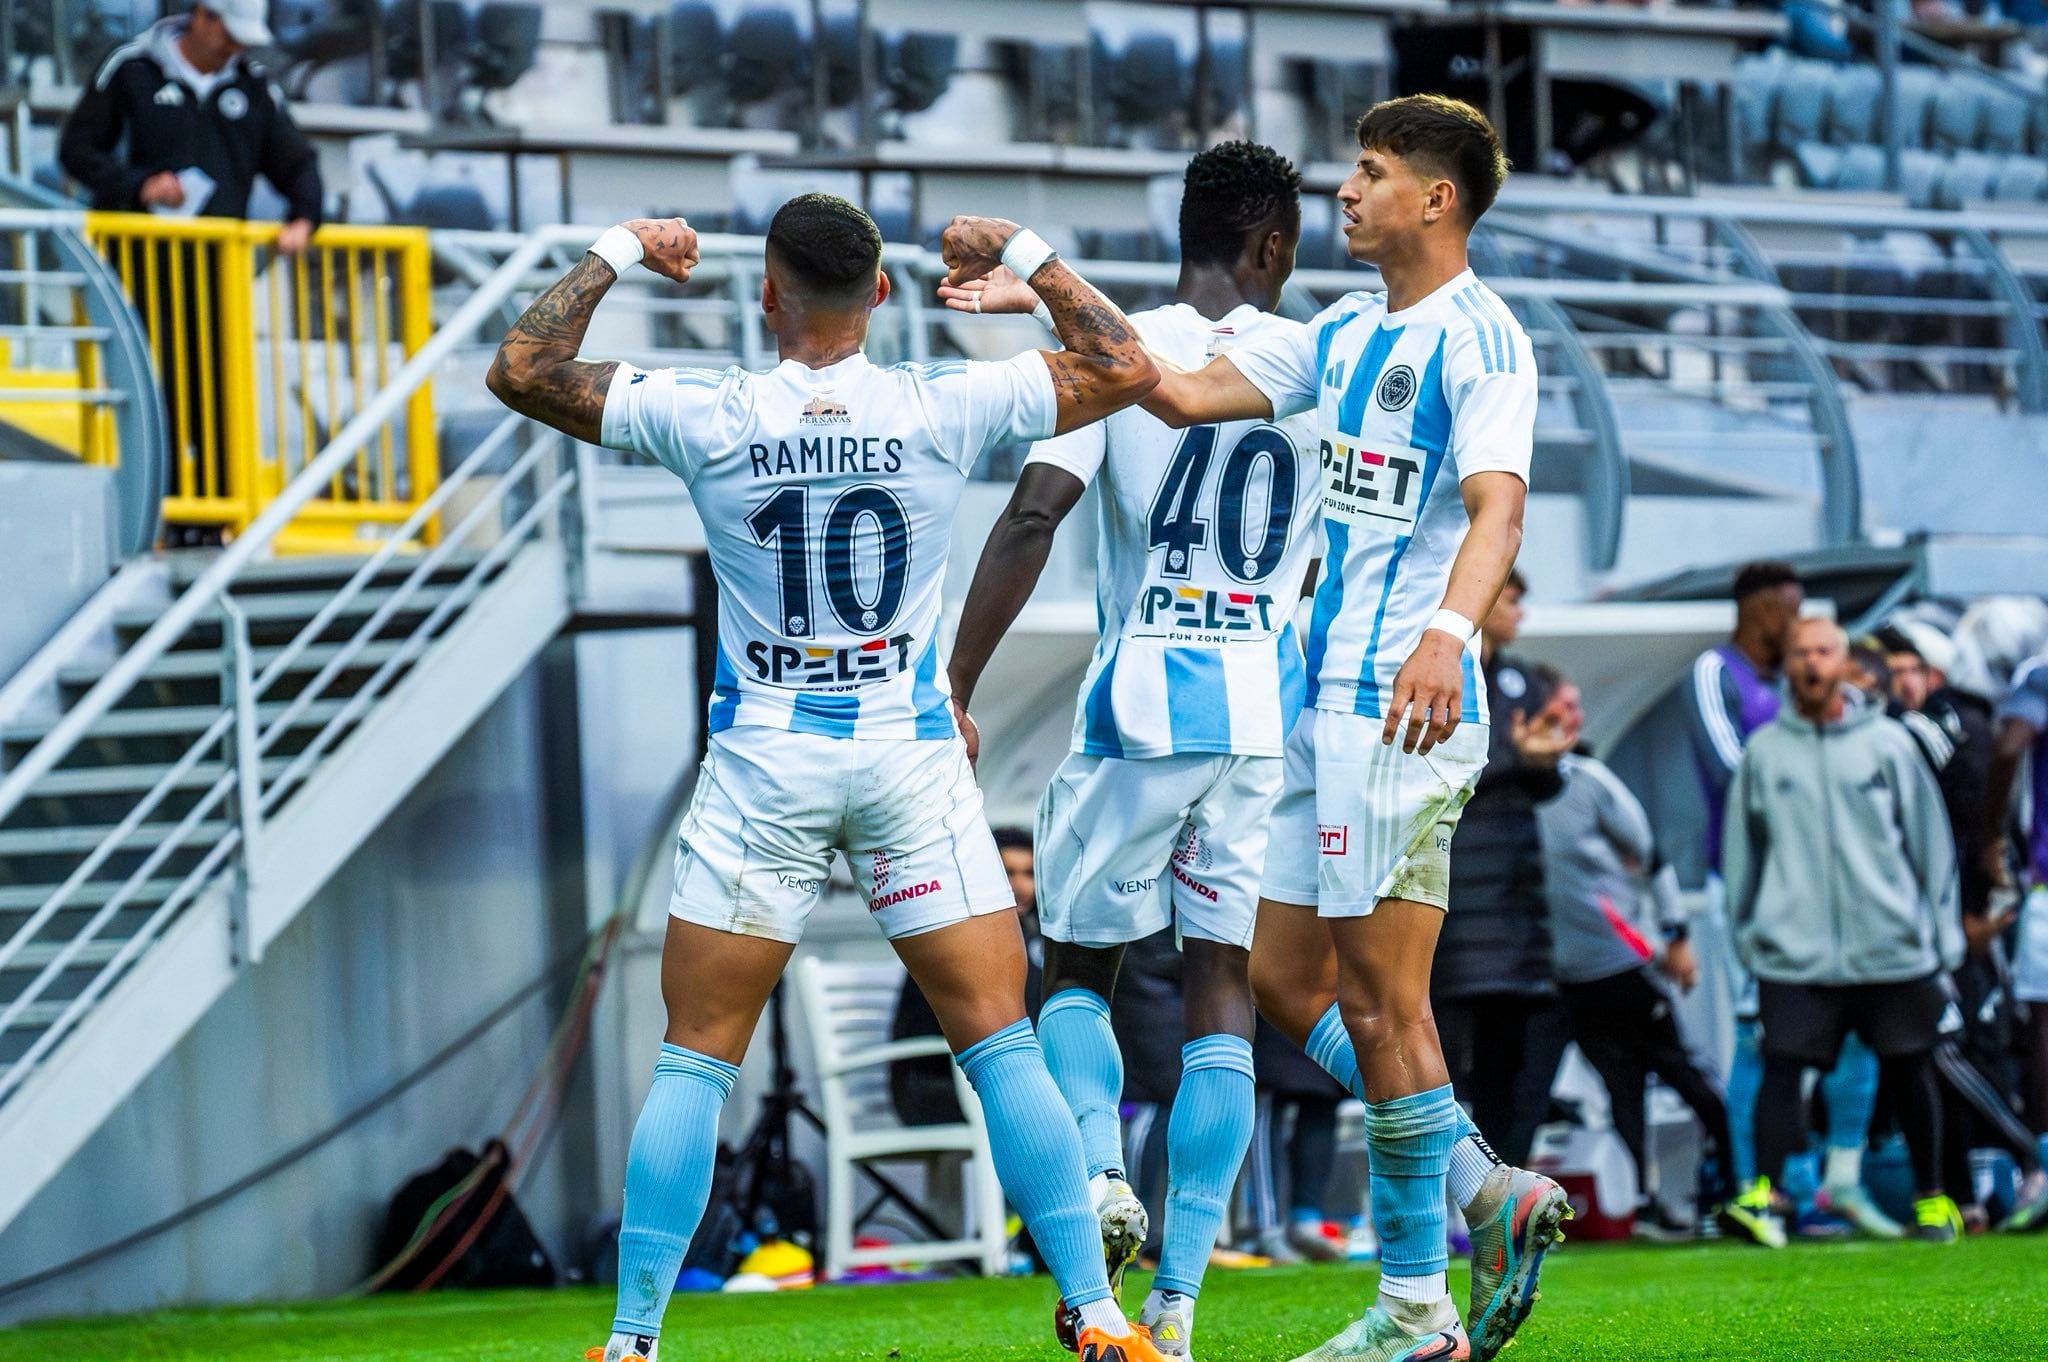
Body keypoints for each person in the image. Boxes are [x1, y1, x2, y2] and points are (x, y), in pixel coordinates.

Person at [486, 197, 1176, 1362]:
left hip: (766, 757)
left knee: (697, 1053)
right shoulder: (942, 403)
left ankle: (634, 1341)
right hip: (905, 756)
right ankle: (1098, 1316)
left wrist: (620, 250)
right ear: (882, 298)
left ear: (765, 297)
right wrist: (1017, 250)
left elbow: (522, 366)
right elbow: (1124, 362)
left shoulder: (705, 413)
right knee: (998, 1040)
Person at [1137, 94, 1564, 1362]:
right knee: (1279, 974)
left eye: (1370, 173)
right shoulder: (1340, 329)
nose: (1345, 191)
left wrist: (1446, 634)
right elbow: (1177, 392)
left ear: (1435, 199)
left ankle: (1413, 1307)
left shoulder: (1481, 342)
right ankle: (1480, 1181)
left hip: (1400, 704)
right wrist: (1044, 289)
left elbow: (1497, 510)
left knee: (1384, 1008)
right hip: (1317, 704)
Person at [939, 141, 1323, 1359]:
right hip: (1259, 710)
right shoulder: (1314, 357)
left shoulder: (1109, 355)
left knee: (1080, 969)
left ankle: (1100, 1182)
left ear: (1187, 231)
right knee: (1220, 984)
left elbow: (1034, 515)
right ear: (1274, 246)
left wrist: (953, 682)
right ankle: (1181, 1304)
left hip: (1143, 698)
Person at [1721, 618, 1967, 1247]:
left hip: (1892, 948)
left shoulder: (1888, 744)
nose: (1811, 663)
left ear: (1844, 662)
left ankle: (1934, 1201)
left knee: (1912, 1069)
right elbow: (1742, 855)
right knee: (1782, 1070)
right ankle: (1764, 1202)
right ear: (1789, 665)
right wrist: (1749, 939)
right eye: (1800, 652)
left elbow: (1930, 847)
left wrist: (1942, 941)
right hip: (1793, 953)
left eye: (1823, 652)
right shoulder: (1765, 750)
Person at [1683, 563, 1895, 1240]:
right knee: (1763, 1043)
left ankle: (1832, 1186)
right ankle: (1761, 1194)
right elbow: (1734, 771)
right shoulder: (1715, 673)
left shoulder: (1793, 688)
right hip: (1753, 890)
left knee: (1850, 1037)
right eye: (1788, 611)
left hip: (1830, 895)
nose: (1798, 627)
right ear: (1756, 610)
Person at [59, 0, 321, 533]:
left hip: (217, 275)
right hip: (140, 272)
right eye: (229, 32)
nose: (237, 46)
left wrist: (305, 217)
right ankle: (160, 516)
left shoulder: (253, 85)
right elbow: (78, 150)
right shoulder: (130, 70)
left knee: (219, 391)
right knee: (157, 391)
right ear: (202, 17)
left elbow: (296, 161)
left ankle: (213, 523)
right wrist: (139, 185)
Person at [1531, 671, 1736, 1238]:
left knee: (1685, 1075)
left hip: (1623, 967)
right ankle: (1647, 1203)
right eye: (1559, 706)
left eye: (1575, 705)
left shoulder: (1593, 783)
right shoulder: (1509, 796)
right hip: (1565, 978)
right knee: (1619, 1088)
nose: (1570, 718)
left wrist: (1675, 938)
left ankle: (1739, 1186)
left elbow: (1653, 857)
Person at [1433, 569, 1578, 1169]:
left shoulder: (1523, 681)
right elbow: (1444, 772)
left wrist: (1543, 764)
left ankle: (1500, 1189)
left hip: (1518, 910)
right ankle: (1446, 1194)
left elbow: (1538, 784)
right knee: (1444, 1062)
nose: (1519, 609)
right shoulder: (1436, 670)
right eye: (1512, 596)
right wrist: (1516, 758)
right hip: (1454, 906)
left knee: (1512, 1064)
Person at [890, 828, 1041, 1127]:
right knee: (1043, 1102)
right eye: (1007, 872)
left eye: (1029, 873)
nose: (1020, 886)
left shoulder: (1032, 940)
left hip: (985, 1076)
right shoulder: (956, 934)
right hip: (933, 1086)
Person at [1988, 644, 2048, 1159]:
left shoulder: (2040, 670)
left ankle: (2046, 1162)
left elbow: (2009, 749)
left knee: (2045, 1020)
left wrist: (1989, 837)